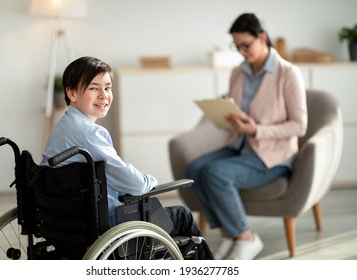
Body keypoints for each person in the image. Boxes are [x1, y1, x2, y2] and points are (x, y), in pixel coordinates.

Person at [41, 56, 212, 260]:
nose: (104, 95)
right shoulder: (89, 133)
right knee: (182, 216)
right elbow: (137, 186)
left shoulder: (63, 127)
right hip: (104, 224)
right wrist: (151, 181)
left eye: (107, 87)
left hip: (66, 222)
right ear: (72, 93)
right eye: (94, 88)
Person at [185, 13, 307, 260]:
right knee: (194, 170)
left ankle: (245, 237)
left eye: (246, 45)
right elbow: (238, 110)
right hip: (240, 146)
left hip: (273, 156)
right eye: (236, 46)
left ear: (262, 38)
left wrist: (256, 130)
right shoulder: (238, 73)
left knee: (215, 173)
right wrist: (228, 117)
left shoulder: (288, 73)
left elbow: (299, 126)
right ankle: (231, 234)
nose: (241, 51)